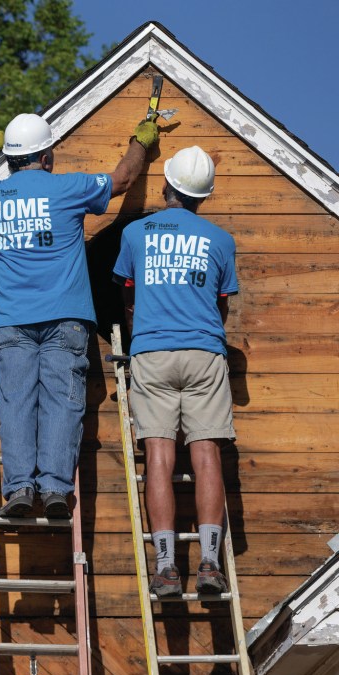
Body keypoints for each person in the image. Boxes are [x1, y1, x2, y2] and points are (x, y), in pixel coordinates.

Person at [0, 113, 157, 518]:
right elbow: (123, 179)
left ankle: (19, 489)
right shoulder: (67, 188)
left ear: (12, 158)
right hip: (67, 321)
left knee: (17, 404)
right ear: (48, 156)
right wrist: (141, 139)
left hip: (10, 323)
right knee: (63, 404)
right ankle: (56, 490)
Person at [112, 145, 238, 596]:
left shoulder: (135, 234)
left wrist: (140, 333)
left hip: (151, 354)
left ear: (165, 185)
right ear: (203, 196)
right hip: (205, 354)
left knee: (160, 460)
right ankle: (208, 563)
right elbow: (221, 305)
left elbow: (127, 296)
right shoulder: (221, 240)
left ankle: (166, 567)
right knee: (207, 457)